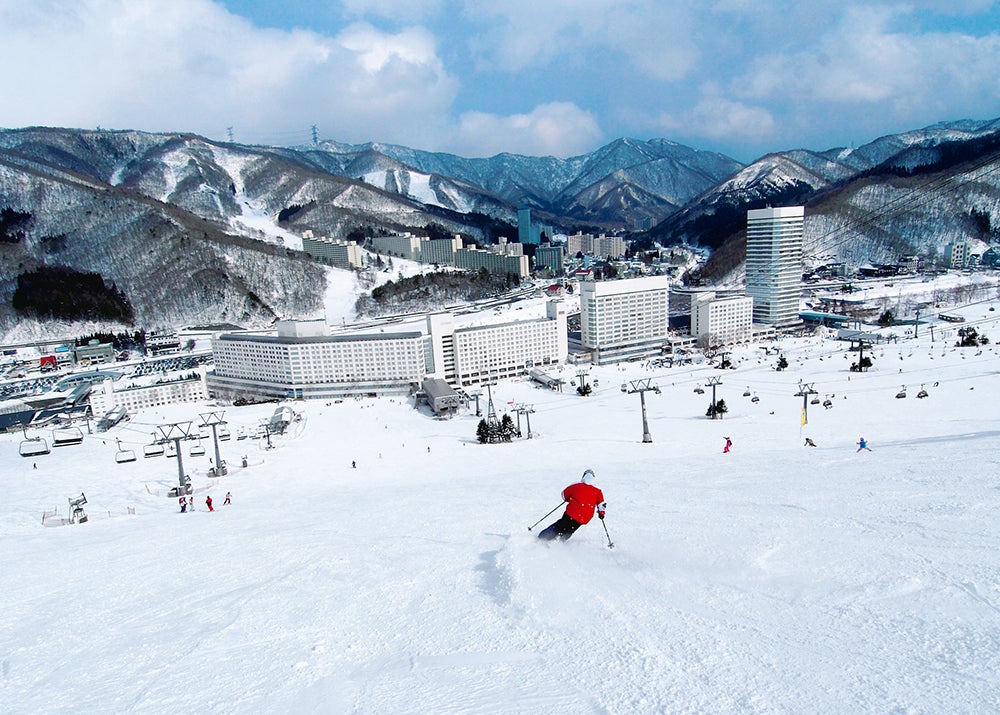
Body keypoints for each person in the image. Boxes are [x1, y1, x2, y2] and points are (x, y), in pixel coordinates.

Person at [537, 469, 606, 542]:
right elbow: (601, 505)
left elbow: (563, 495)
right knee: (571, 529)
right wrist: (601, 513)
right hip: (585, 517)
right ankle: (560, 541)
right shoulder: (598, 491)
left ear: (583, 476)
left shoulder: (576, 486)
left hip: (572, 512)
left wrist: (569, 498)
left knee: (559, 525)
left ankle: (542, 538)